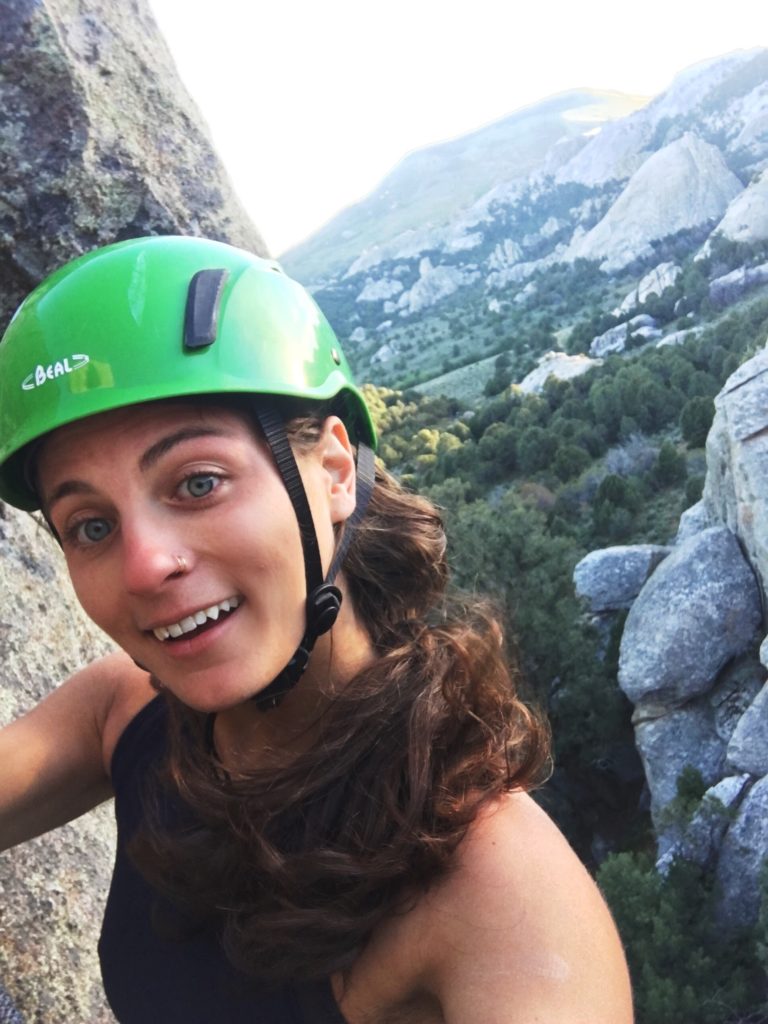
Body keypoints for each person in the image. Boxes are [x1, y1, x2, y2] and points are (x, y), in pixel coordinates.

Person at [0, 236, 633, 1023]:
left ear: (334, 471)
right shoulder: (125, 717)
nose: (143, 566)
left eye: (198, 482)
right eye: (89, 526)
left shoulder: (499, 897)